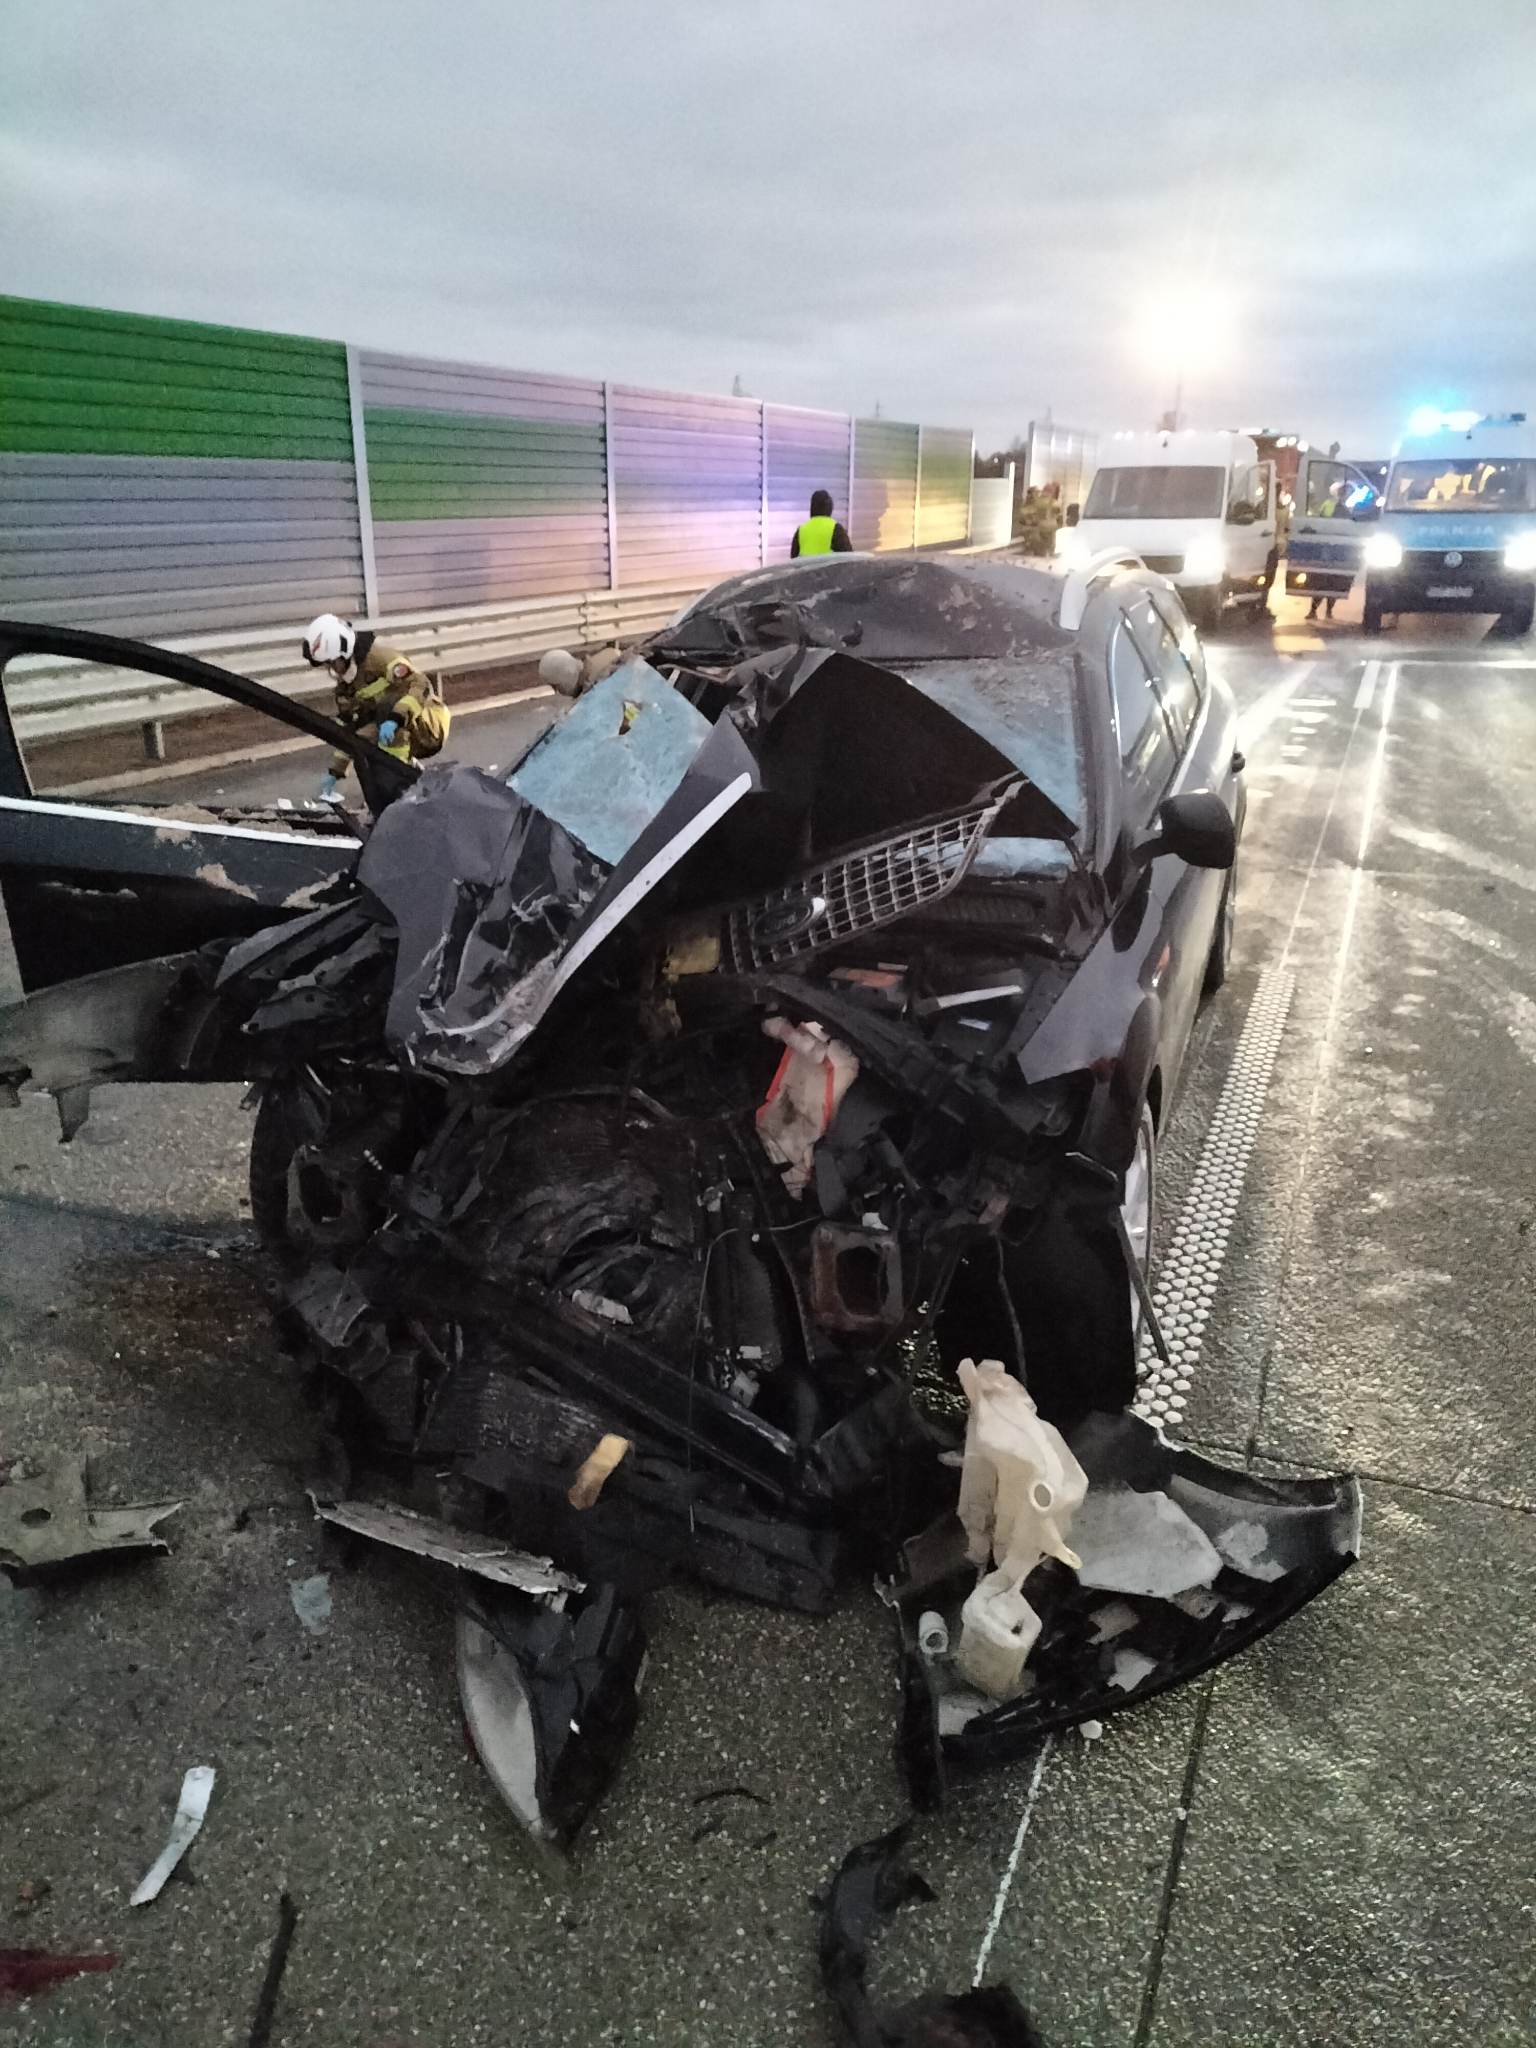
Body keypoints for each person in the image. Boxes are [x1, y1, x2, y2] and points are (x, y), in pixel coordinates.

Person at [300, 614, 450, 800]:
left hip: (430, 724)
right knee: (362, 744)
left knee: (387, 709)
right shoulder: (346, 688)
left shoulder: (380, 659)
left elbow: (421, 685)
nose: (332, 670)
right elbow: (350, 730)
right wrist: (335, 771)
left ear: (344, 652)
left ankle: (403, 789)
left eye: (332, 663)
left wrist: (396, 718)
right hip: (396, 729)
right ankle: (404, 787)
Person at [790, 489, 853, 558]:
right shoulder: (836, 529)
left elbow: (794, 559)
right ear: (830, 507)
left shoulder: (801, 530)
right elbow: (848, 558)